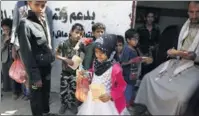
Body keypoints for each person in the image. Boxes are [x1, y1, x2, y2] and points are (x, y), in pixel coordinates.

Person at [135, 1, 199, 115]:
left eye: (197, 12)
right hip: (177, 61)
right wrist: (174, 53)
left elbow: (193, 56)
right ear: (187, 12)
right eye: (191, 12)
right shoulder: (184, 27)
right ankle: (147, 110)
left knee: (181, 98)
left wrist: (183, 54)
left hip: (195, 67)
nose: (194, 16)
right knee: (147, 79)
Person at [17, 1, 55, 116]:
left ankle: (46, 113)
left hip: (46, 67)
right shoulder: (25, 24)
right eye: (37, 5)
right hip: (36, 71)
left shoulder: (42, 20)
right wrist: (34, 77)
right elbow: (26, 54)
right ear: (29, 3)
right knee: (36, 97)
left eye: (43, 5)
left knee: (45, 94)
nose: (40, 9)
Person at [77, 34, 130, 115]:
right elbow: (94, 73)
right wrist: (86, 73)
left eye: (102, 52)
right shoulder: (96, 62)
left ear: (110, 51)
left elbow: (121, 85)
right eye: (96, 52)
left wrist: (110, 95)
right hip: (93, 97)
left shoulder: (115, 68)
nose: (98, 55)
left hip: (106, 99)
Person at [56, 23, 84, 114]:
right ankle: (64, 104)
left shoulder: (81, 45)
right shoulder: (63, 43)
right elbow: (56, 54)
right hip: (65, 72)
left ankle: (72, 104)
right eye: (76, 32)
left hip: (75, 72)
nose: (78, 35)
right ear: (71, 32)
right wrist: (65, 59)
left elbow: (87, 53)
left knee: (73, 90)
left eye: (81, 34)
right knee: (63, 90)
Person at [120, 29, 151, 109]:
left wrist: (142, 59)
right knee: (128, 90)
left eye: (137, 39)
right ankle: (125, 107)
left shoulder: (134, 49)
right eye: (134, 39)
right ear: (128, 40)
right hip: (128, 75)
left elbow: (136, 59)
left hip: (133, 74)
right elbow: (122, 63)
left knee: (132, 89)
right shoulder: (127, 49)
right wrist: (132, 61)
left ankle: (130, 103)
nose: (136, 41)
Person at [1, 18, 22, 99]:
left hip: (14, 59)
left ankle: (15, 92)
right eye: (3, 29)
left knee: (14, 76)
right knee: (6, 75)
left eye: (7, 29)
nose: (5, 30)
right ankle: (8, 89)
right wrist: (4, 42)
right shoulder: (2, 37)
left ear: (10, 28)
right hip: (5, 59)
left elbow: (18, 46)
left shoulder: (14, 36)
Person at [137, 11, 160, 79]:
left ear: (154, 18)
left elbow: (159, 42)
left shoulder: (156, 29)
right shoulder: (140, 29)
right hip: (142, 53)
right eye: (148, 17)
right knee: (142, 72)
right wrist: (140, 53)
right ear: (145, 18)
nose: (150, 18)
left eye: (152, 17)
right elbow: (136, 42)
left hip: (152, 54)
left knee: (151, 72)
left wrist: (154, 47)